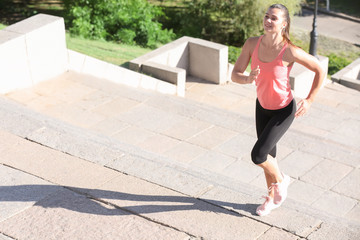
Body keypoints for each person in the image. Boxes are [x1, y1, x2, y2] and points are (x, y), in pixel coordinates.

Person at [231, 3, 325, 216]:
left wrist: (309, 99)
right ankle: (271, 198)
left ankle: (282, 181)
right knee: (268, 157)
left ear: (284, 24)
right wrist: (247, 79)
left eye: (274, 18)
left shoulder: (289, 50)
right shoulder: (251, 44)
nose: (268, 21)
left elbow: (320, 69)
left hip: (283, 110)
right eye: (266, 16)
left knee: (258, 155)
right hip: (262, 107)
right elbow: (235, 74)